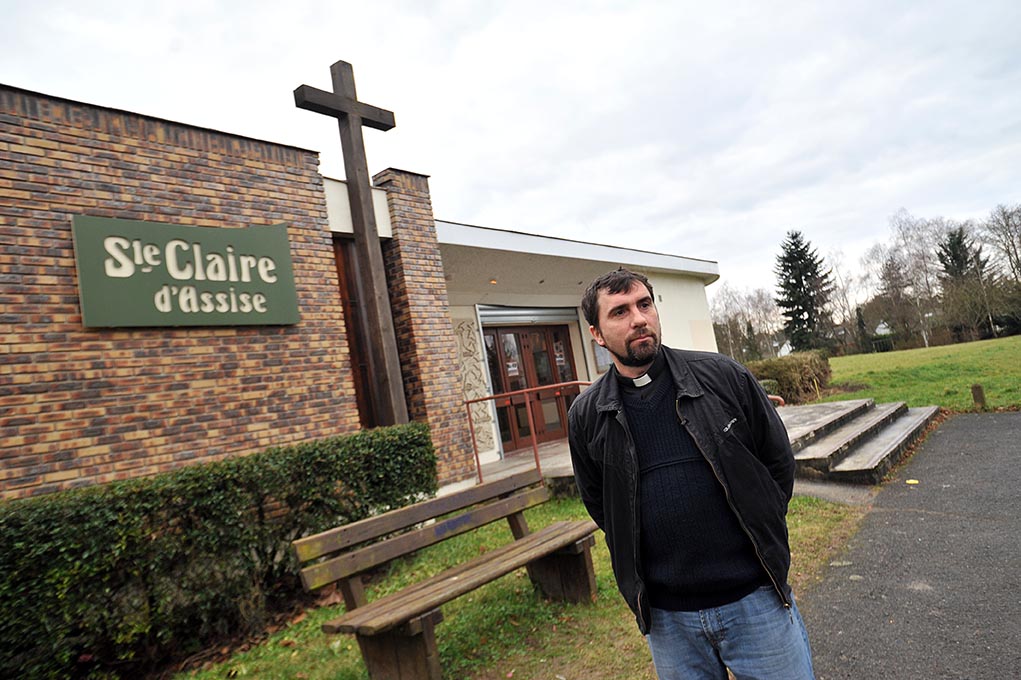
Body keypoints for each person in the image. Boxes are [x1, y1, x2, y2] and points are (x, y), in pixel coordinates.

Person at [568, 268, 814, 680]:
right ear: (596, 333)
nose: (639, 319)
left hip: (753, 599)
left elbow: (776, 462)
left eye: (644, 304)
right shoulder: (588, 415)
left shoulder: (723, 377)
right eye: (620, 312)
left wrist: (765, 521)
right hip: (669, 622)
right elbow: (601, 503)